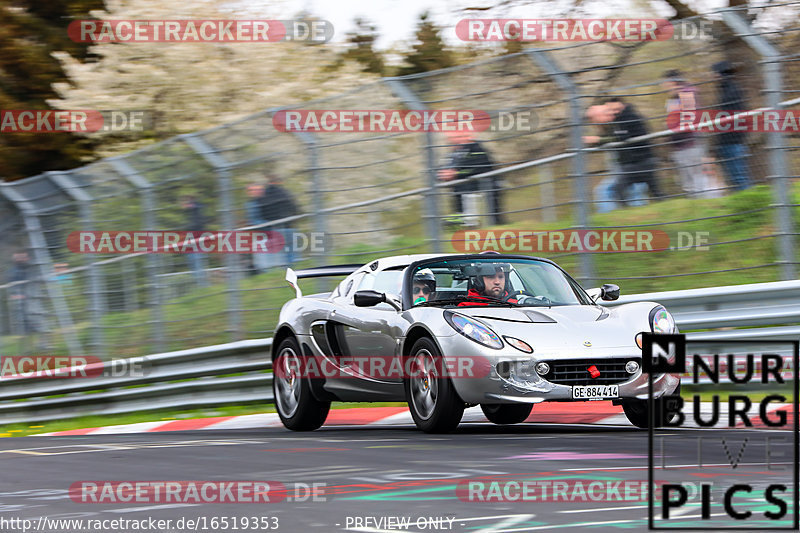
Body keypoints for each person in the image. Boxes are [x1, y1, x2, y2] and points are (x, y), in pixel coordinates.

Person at [584, 98, 664, 204]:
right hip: (635, 161)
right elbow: (615, 137)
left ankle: (628, 212)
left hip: (638, 160)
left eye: (609, 109)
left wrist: (599, 139)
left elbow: (621, 137)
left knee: (619, 190)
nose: (610, 111)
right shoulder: (619, 119)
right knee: (650, 190)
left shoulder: (627, 118)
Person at [438, 129, 504, 226]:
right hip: (466, 187)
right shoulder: (454, 153)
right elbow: (444, 167)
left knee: (493, 217)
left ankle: (470, 221)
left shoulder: (477, 149)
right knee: (459, 188)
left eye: (458, 137)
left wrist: (456, 173)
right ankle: (462, 219)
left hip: (485, 185)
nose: (453, 141)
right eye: (451, 138)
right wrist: (442, 174)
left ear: (469, 137)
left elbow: (479, 167)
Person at [662, 69, 708, 196]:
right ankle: (696, 208)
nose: (664, 86)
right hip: (679, 145)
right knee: (688, 183)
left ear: (672, 82)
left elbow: (688, 118)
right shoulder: (674, 98)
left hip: (690, 143)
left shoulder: (687, 94)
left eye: (665, 83)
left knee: (696, 181)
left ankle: (704, 206)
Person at [712, 60, 752, 190]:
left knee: (739, 177)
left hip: (732, 141)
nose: (713, 76)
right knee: (737, 177)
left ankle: (748, 205)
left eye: (714, 73)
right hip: (730, 140)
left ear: (720, 74)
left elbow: (727, 119)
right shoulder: (728, 90)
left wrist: (721, 139)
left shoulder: (731, 91)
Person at [260, 173, 299, 267]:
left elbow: (263, 212)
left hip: (275, 227)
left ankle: (284, 271)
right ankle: (294, 271)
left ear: (269, 183)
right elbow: (294, 207)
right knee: (292, 250)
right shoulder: (285, 192)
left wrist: (271, 221)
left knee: (281, 254)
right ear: (279, 182)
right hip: (288, 225)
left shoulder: (265, 196)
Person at [180, 194, 208, 286]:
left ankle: (202, 285)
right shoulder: (191, 212)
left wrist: (186, 228)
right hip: (191, 241)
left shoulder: (196, 210)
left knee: (197, 262)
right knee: (193, 262)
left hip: (197, 240)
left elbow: (198, 224)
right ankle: (200, 285)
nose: (183, 205)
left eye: (185, 202)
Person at [245, 183, 269, 274]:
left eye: (256, 190)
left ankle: (264, 270)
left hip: (264, 230)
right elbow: (252, 219)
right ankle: (261, 270)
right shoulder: (250, 203)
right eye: (251, 190)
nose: (254, 192)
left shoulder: (264, 201)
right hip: (256, 231)